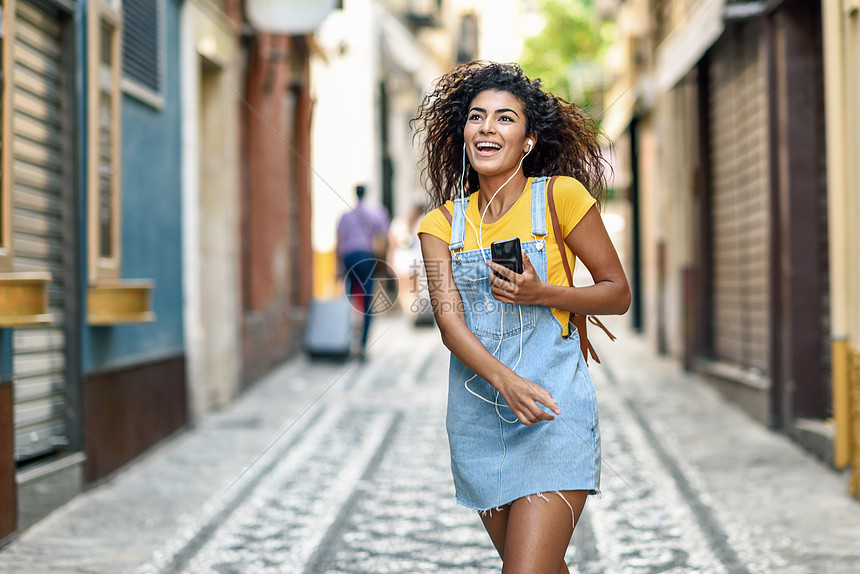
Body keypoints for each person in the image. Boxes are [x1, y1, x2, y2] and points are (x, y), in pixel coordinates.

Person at [414, 62, 630, 573]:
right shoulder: (440, 224)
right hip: (479, 422)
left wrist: (543, 292)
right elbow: (450, 325)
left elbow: (616, 293)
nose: (488, 128)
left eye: (504, 118)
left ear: (528, 140)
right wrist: (505, 383)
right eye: (476, 117)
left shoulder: (561, 198)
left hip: (552, 412)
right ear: (462, 132)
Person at [336, 184, 391, 354]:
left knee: (350, 299)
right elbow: (383, 236)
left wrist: (338, 266)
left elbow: (339, 240)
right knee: (367, 301)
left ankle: (346, 338)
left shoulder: (345, 216)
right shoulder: (375, 213)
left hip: (349, 258)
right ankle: (363, 343)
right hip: (366, 258)